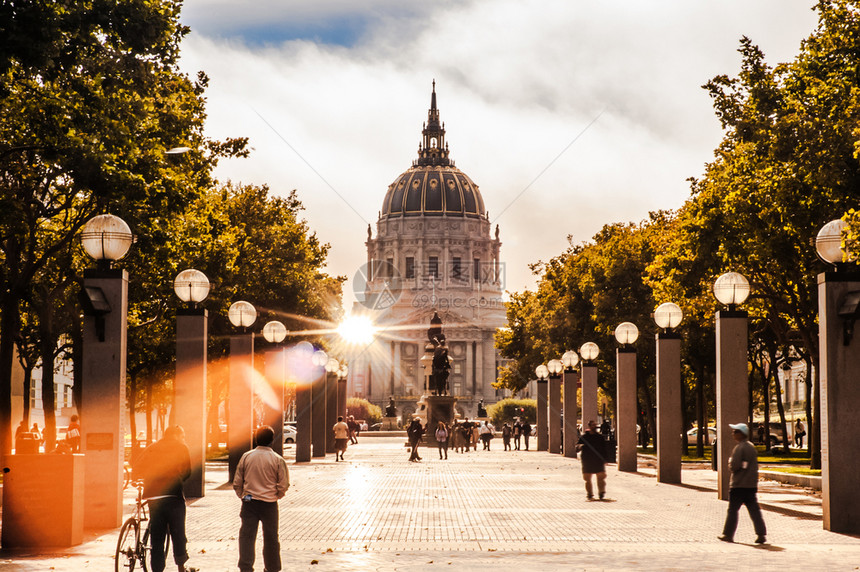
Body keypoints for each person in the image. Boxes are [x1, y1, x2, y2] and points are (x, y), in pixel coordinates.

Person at [135, 425, 192, 572]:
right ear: (177, 435)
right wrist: (178, 479)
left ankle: (157, 569)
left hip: (153, 496)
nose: (183, 439)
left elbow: (137, 466)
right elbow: (187, 472)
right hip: (173, 495)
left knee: (157, 537)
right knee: (178, 533)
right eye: (182, 436)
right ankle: (181, 567)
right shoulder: (181, 447)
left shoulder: (152, 447)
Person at [233, 425, 290, 572]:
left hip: (249, 501)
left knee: (246, 536)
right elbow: (283, 484)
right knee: (271, 537)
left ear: (256, 438)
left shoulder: (246, 456)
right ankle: (272, 568)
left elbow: (237, 482)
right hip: (270, 503)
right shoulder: (277, 459)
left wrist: (244, 496)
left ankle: (245, 567)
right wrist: (275, 495)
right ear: (272, 440)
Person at [719, 422, 767, 544]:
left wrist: (730, 463)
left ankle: (728, 534)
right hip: (750, 485)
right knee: (754, 510)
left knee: (732, 510)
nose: (733, 433)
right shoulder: (751, 447)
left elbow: (734, 466)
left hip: (738, 485)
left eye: (735, 431)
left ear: (741, 434)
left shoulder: (739, 448)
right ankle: (761, 534)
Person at [576, 420, 608, 500]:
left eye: (595, 425)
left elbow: (604, 449)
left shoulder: (600, 437)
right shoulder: (584, 437)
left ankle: (601, 492)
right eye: (593, 425)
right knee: (587, 478)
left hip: (598, 460)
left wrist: (605, 459)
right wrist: (580, 446)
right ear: (589, 426)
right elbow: (577, 447)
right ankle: (589, 494)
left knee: (601, 477)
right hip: (587, 460)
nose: (595, 426)